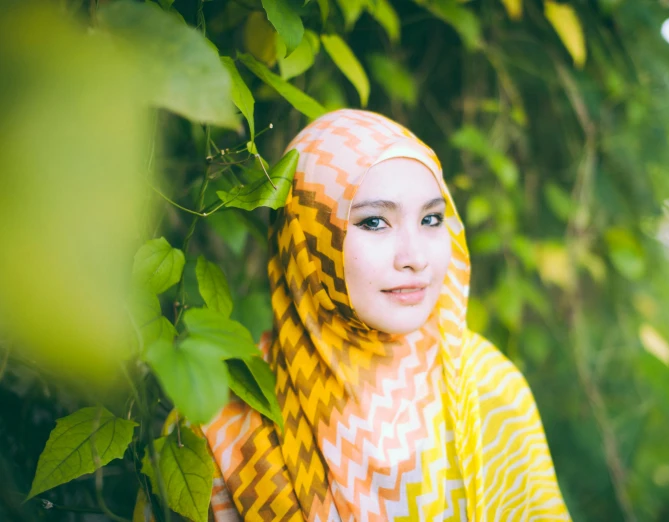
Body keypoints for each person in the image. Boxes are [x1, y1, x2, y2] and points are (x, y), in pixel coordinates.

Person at [201, 109, 570, 521]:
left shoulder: (492, 393)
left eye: (432, 218)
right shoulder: (223, 420)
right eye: (375, 222)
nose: (414, 257)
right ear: (307, 237)